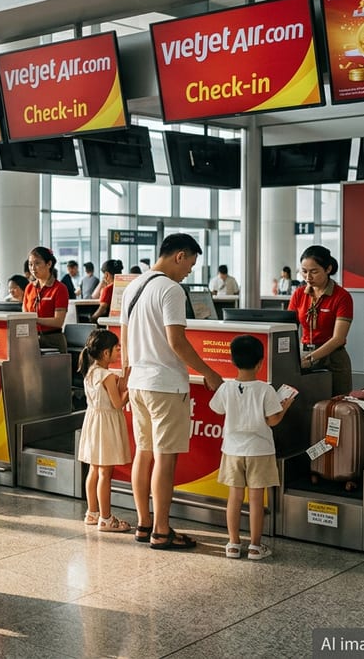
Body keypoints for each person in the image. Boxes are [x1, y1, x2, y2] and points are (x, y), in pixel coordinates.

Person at [121, 233, 222, 550]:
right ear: (180, 255)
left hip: (138, 382)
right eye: (190, 264)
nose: (189, 272)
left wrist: (128, 377)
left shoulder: (132, 287)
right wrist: (209, 372)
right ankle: (162, 531)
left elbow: (124, 339)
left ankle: (143, 524)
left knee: (143, 453)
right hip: (164, 385)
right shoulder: (171, 289)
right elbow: (177, 341)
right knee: (165, 459)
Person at [210, 335, 295, 561]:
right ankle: (256, 546)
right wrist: (284, 407)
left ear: (232, 361)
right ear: (260, 363)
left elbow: (216, 409)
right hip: (260, 450)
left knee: (234, 497)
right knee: (257, 499)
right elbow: (273, 420)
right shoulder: (265, 390)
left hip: (232, 450)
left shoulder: (226, 388)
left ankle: (233, 544)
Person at [77, 329, 133, 532]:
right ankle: (106, 518)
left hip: (93, 422)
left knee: (94, 469)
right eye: (116, 349)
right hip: (106, 426)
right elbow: (118, 404)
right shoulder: (107, 376)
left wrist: (124, 381)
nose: (119, 352)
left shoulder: (90, 371)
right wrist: (130, 391)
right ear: (105, 353)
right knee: (105, 474)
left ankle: (92, 513)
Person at [288, 245, 354, 395]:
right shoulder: (299, 294)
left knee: (336, 408)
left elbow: (338, 338)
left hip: (333, 359)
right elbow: (288, 327)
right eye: (304, 272)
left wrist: (311, 358)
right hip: (303, 355)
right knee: (304, 406)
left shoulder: (342, 297)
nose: (308, 277)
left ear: (328, 269)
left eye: (314, 272)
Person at [23, 247, 69, 354]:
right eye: (30, 264)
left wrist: (34, 320)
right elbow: (24, 315)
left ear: (49, 264)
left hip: (53, 341)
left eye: (37, 263)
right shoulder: (29, 288)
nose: (33, 268)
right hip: (32, 340)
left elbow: (58, 321)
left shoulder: (59, 288)